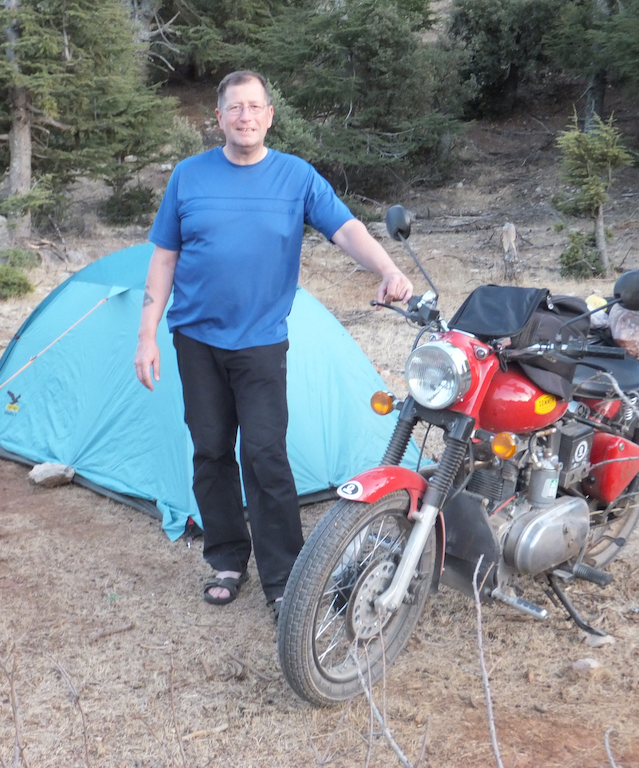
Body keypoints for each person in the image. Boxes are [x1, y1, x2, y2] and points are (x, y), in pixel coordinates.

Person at [134, 70, 413, 619]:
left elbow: (345, 229)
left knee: (265, 455)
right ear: (219, 118)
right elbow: (164, 258)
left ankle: (283, 578)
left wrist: (387, 268)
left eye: (254, 107)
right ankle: (226, 558)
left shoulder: (296, 176)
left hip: (261, 344)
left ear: (269, 116)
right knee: (211, 451)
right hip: (195, 340)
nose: (245, 116)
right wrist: (147, 335)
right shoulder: (189, 176)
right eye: (234, 108)